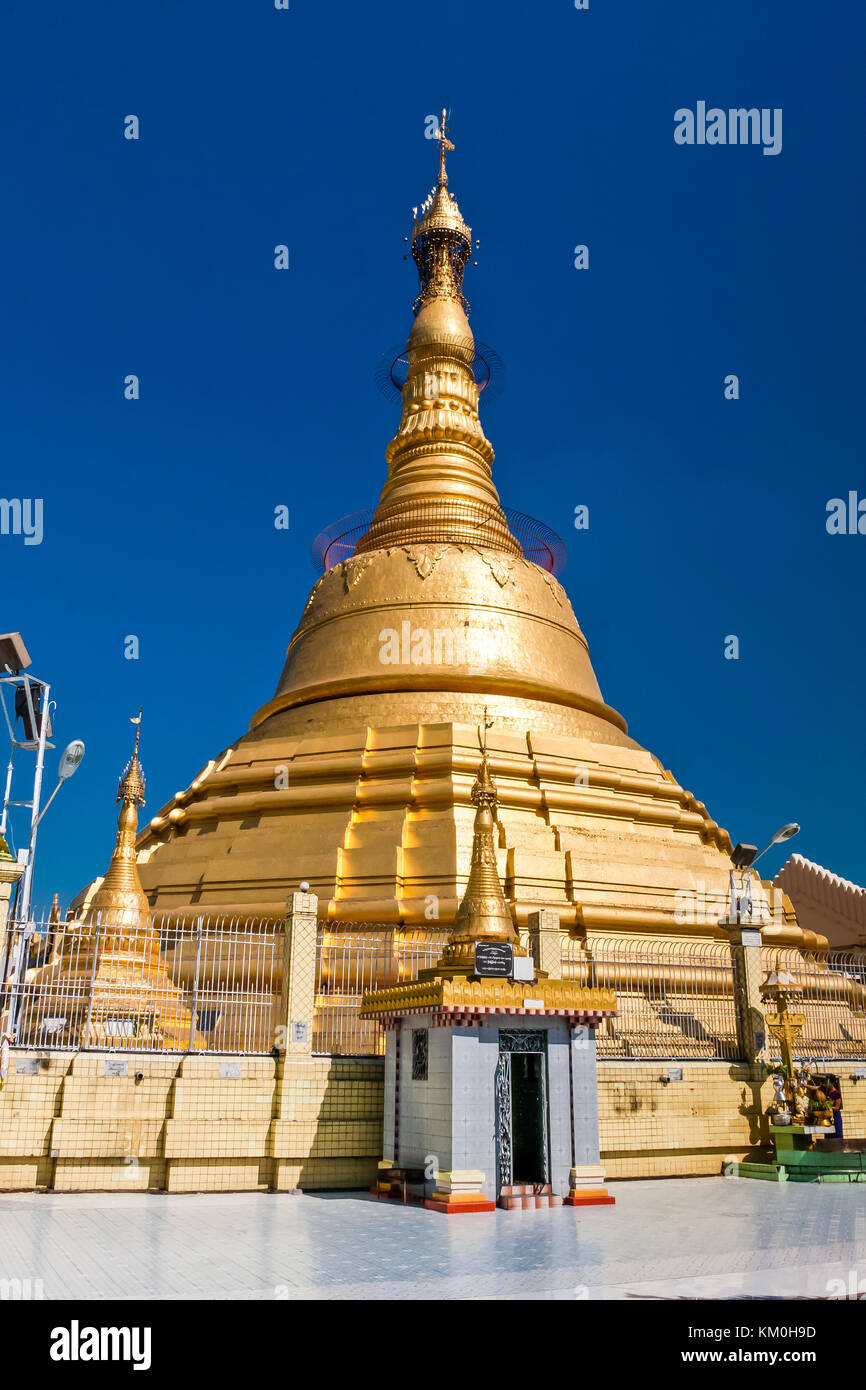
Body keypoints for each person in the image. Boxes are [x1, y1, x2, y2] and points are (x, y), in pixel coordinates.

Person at [825, 1074, 844, 1140]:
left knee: (837, 1136)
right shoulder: (827, 1091)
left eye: (828, 1083)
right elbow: (815, 1088)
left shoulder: (836, 1093)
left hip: (835, 1117)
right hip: (828, 1117)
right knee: (828, 1137)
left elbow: (837, 1108)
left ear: (832, 1083)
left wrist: (828, 1107)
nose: (827, 1084)